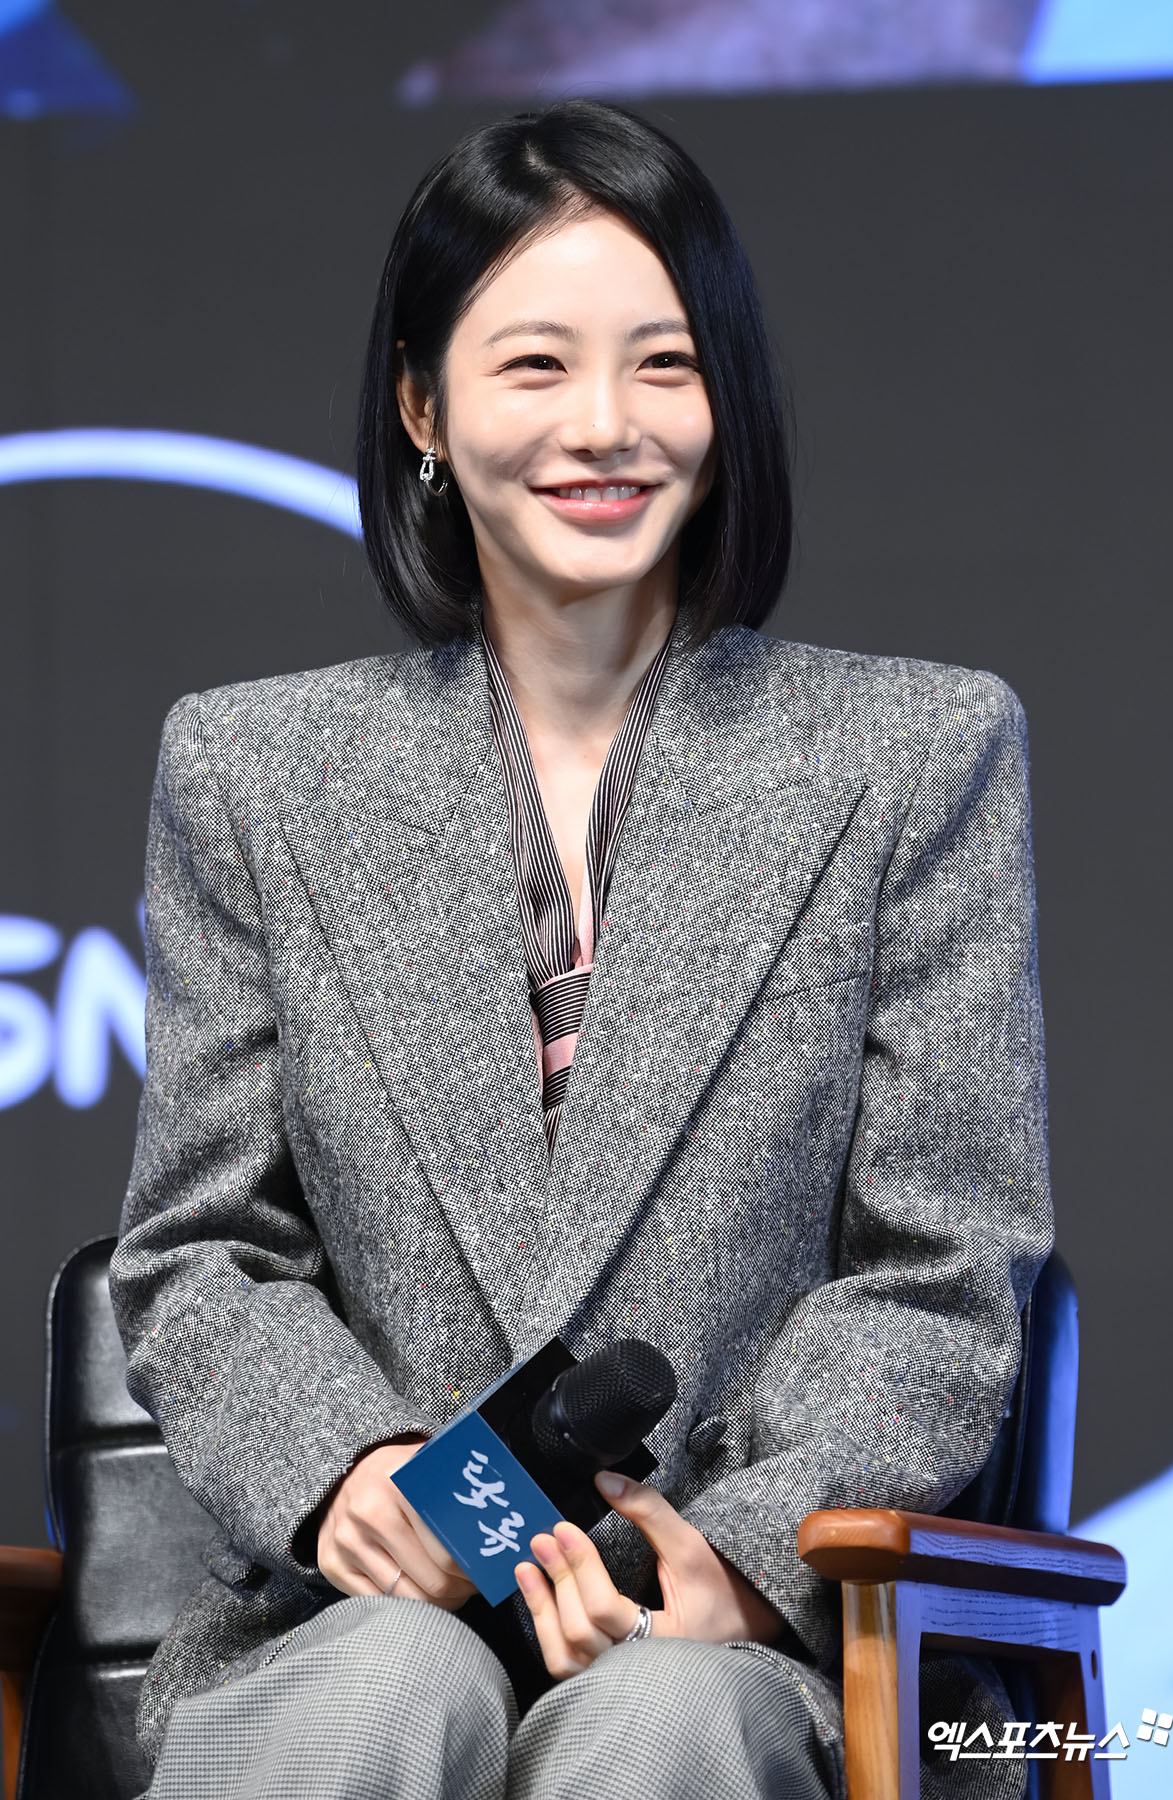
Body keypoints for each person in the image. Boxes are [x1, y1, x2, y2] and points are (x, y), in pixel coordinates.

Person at [110, 97, 1053, 1800]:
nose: (604, 425)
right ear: (423, 405)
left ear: (725, 398)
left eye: (664, 365)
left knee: (658, 1722)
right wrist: (346, 1474)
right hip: (361, 1604)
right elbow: (202, 1244)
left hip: (748, 1636)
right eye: (534, 364)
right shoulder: (254, 770)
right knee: (387, 1689)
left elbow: (941, 1266)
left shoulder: (916, 754)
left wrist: (750, 1555)